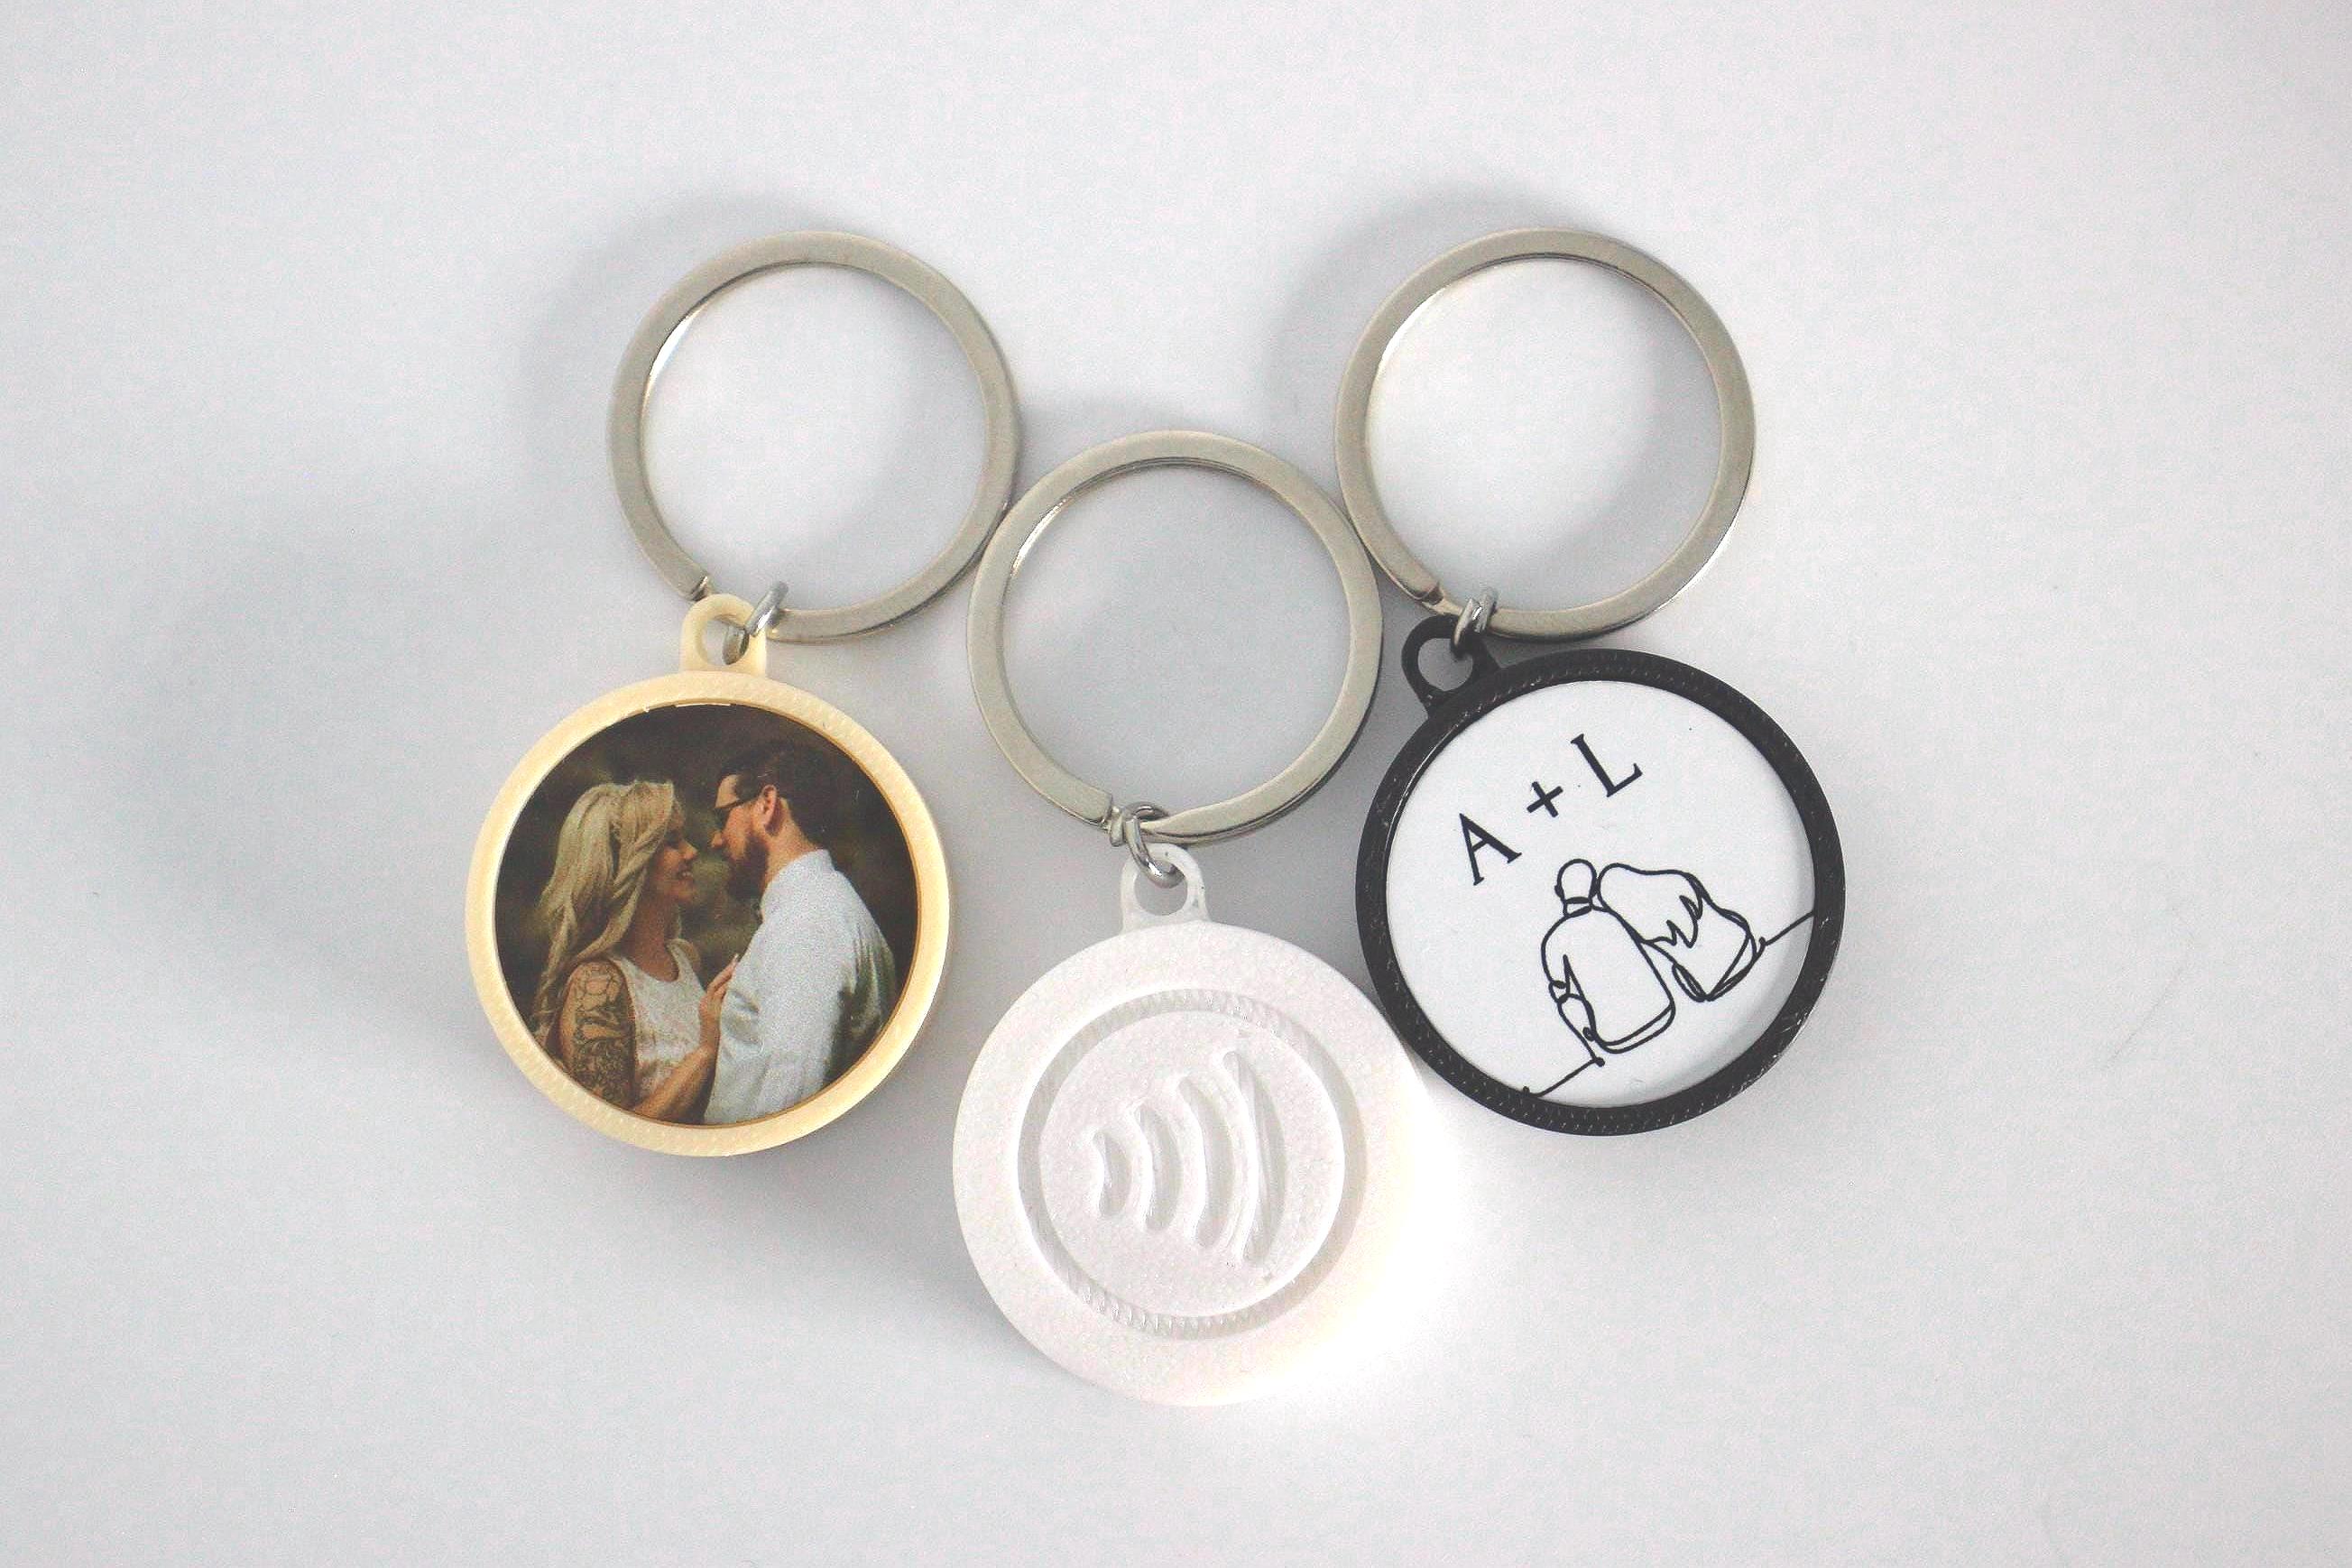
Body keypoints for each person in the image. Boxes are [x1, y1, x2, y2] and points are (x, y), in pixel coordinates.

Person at [701, 742, 899, 1122]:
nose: (715, 840)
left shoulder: (807, 923)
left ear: (767, 804)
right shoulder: (817, 908)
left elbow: (790, 1101)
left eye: (721, 818)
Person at [530, 780, 734, 1122]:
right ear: (631, 862)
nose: (691, 852)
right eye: (672, 842)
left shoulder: (685, 958)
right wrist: (704, 1052)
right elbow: (610, 1132)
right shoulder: (598, 985)